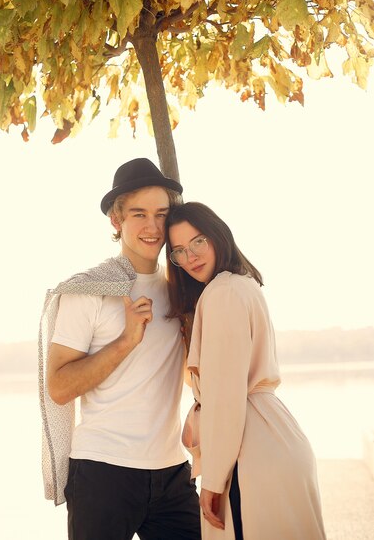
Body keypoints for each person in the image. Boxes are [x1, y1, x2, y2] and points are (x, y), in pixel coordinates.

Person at [38, 158, 201, 540]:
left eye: (162, 214)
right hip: (102, 472)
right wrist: (126, 341)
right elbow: (59, 387)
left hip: (172, 471)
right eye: (139, 214)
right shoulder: (90, 290)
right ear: (117, 220)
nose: (152, 226)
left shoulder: (184, 289)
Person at [165, 202, 327, 540]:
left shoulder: (222, 293)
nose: (190, 256)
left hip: (248, 454)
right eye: (179, 250)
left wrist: (212, 480)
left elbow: (225, 398)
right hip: (273, 438)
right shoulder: (242, 284)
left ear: (218, 235)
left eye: (198, 241)